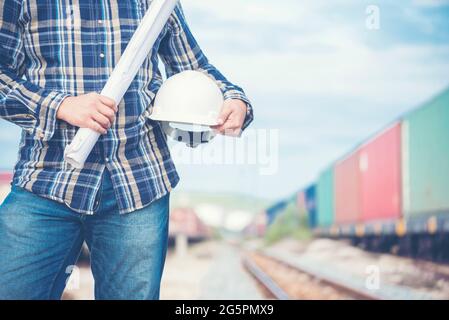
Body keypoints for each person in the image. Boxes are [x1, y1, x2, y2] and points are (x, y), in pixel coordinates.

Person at [0, 0, 253, 300]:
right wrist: (60, 106)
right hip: (46, 182)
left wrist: (234, 99)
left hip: (139, 183)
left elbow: (195, 68)